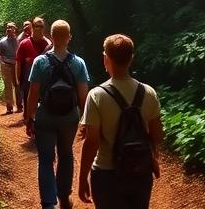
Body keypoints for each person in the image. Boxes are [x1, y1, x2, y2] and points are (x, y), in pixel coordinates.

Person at [77, 34, 162, 209]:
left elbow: (91, 142)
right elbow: (157, 135)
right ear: (131, 59)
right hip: (140, 172)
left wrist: (82, 178)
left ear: (105, 58)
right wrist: (152, 156)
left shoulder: (97, 96)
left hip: (107, 174)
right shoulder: (149, 93)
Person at [26, 19, 90, 209]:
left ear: (51, 37)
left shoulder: (40, 61)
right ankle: (64, 196)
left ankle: (48, 202)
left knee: (45, 158)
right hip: (69, 118)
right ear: (69, 38)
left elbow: (33, 94)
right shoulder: (78, 63)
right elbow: (83, 96)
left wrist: (30, 118)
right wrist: (84, 120)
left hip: (45, 116)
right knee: (66, 154)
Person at [17, 16, 51, 121]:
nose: (39, 28)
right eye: (36, 26)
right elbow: (18, 62)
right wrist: (18, 80)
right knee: (29, 104)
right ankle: (29, 123)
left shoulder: (48, 44)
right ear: (32, 27)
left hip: (44, 80)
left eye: (41, 26)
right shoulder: (24, 43)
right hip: (27, 80)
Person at [0, 21, 21, 114]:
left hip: (17, 65)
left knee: (18, 85)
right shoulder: (2, 42)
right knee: (8, 86)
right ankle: (9, 106)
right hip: (6, 65)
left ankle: (19, 105)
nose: (9, 29)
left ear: (15, 29)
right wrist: (3, 63)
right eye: (7, 27)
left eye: (11, 27)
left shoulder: (19, 40)